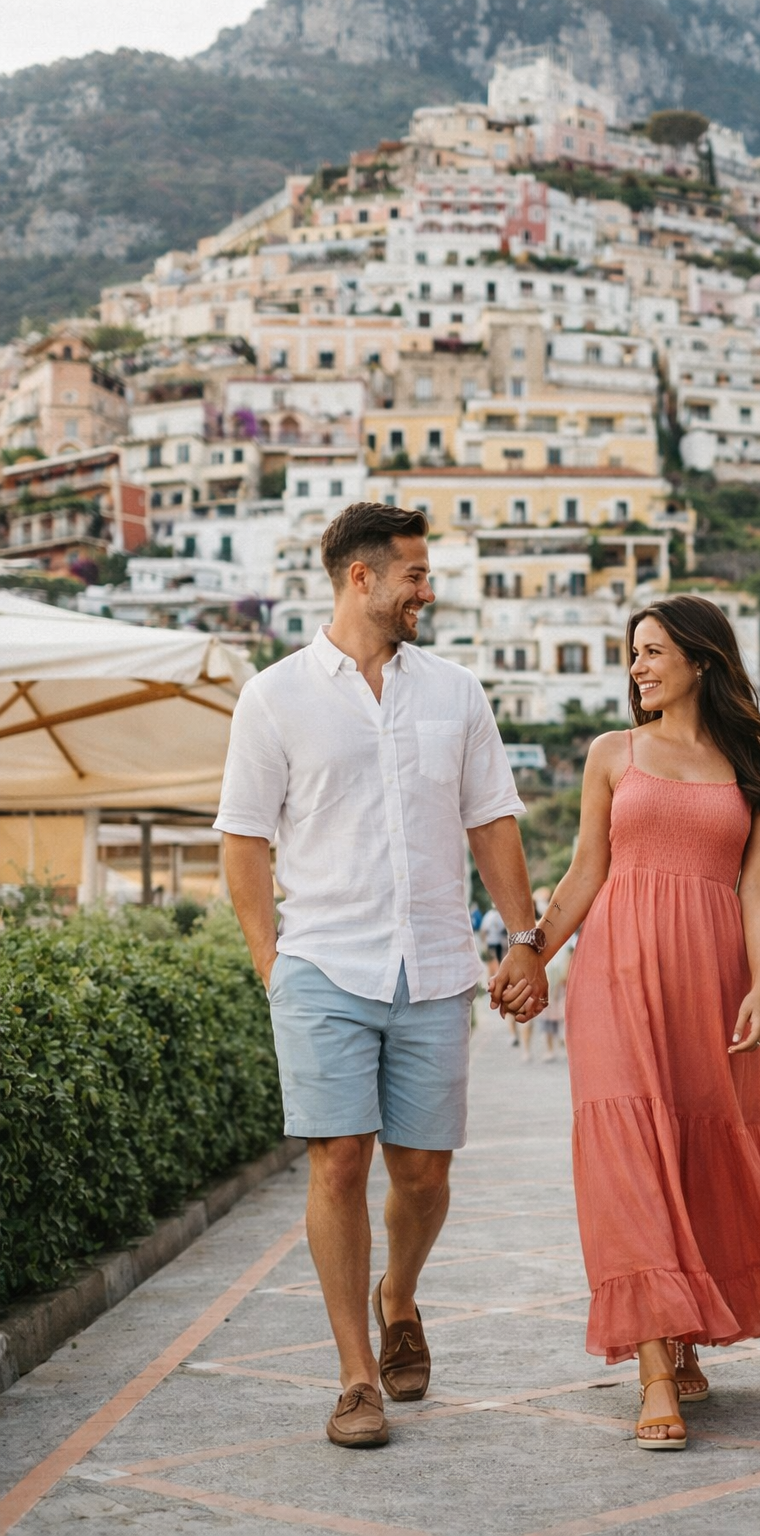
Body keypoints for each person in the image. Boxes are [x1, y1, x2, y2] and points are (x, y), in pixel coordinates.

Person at [492, 595, 760, 1450]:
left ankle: (685, 1322)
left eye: (654, 651)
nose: (638, 666)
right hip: (620, 972)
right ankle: (655, 1371)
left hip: (714, 974)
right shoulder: (611, 754)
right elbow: (587, 868)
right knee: (632, 1150)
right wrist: (532, 952)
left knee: (704, 1147)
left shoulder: (759, 760)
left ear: (701, 659)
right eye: (633, 654)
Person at [215, 502, 548, 1450]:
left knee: (425, 1173)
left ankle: (398, 1292)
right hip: (322, 961)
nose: (427, 590)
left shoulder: (456, 692)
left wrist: (521, 938)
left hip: (437, 963)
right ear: (360, 578)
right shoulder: (273, 697)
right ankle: (356, 1374)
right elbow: (244, 840)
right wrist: (270, 963)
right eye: (414, 573)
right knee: (339, 1161)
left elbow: (493, 822)